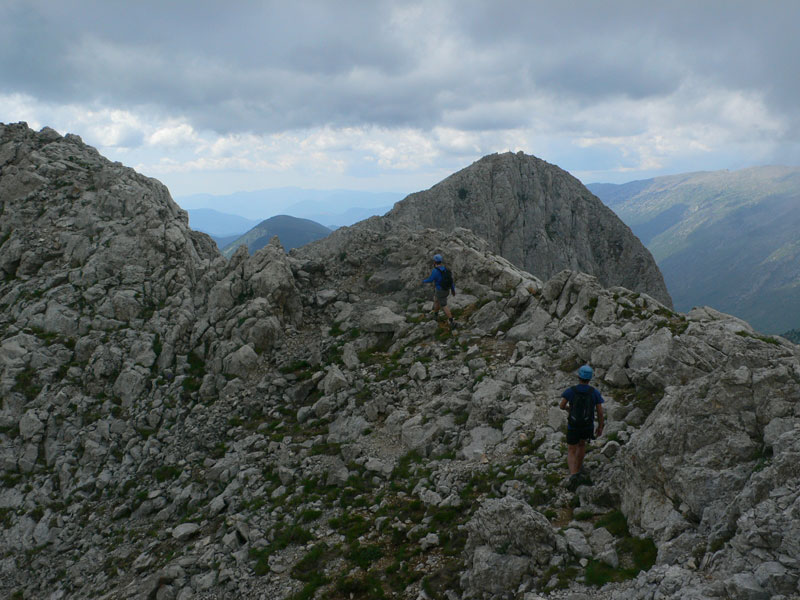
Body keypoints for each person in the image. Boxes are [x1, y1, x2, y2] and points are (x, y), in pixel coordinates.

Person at [559, 364, 605, 490]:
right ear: (590, 379)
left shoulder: (571, 391)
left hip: (573, 425)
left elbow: (561, 405)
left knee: (571, 449)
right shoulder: (594, 392)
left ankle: (573, 475)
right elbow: (600, 412)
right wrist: (600, 426)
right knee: (582, 445)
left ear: (578, 376)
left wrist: (570, 409)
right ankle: (578, 470)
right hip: (587, 425)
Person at [422, 253, 456, 328]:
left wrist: (423, 281)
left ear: (434, 262)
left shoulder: (435, 271)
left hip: (440, 290)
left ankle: (451, 321)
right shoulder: (445, 269)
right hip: (446, 289)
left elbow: (430, 279)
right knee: (436, 300)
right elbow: (451, 281)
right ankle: (436, 315)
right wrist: (453, 290)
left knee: (444, 305)